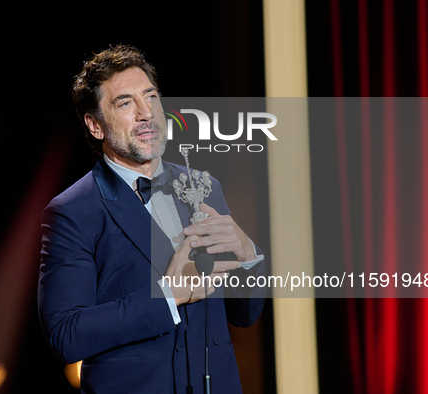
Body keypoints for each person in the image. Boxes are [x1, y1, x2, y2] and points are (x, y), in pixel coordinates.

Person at [38, 44, 266, 393]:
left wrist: (248, 256)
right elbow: (66, 334)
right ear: (95, 125)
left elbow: (244, 315)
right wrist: (167, 296)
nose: (146, 113)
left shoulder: (204, 186)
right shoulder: (72, 211)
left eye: (152, 97)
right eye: (125, 103)